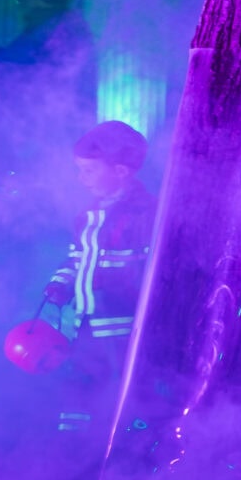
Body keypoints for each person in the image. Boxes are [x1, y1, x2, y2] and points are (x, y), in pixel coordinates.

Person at [37, 119, 156, 440]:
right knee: (78, 383)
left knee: (128, 385)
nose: (81, 178)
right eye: (80, 170)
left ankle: (132, 444)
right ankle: (72, 447)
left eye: (89, 170)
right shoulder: (87, 215)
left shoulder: (146, 215)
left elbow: (153, 269)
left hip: (123, 323)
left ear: (121, 171)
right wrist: (60, 284)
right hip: (87, 320)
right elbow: (76, 258)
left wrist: (121, 290)